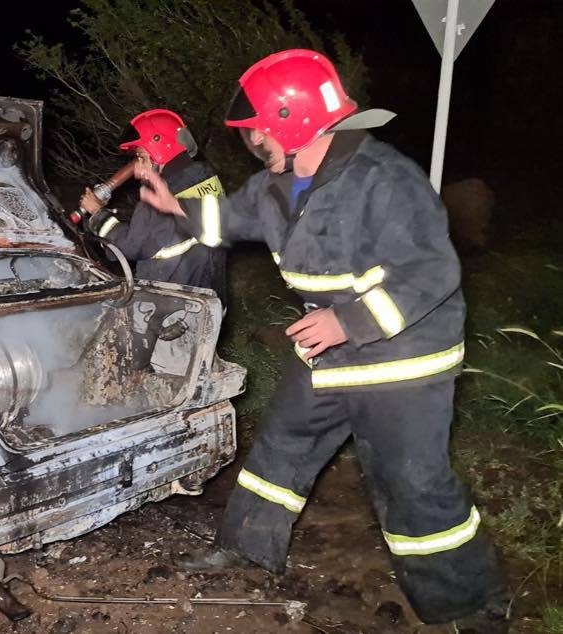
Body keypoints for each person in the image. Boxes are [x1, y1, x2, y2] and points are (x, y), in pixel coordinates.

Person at [135, 49, 510, 632]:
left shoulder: (385, 179)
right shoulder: (276, 184)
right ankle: (247, 548)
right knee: (282, 446)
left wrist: (348, 322)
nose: (254, 140)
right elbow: (229, 220)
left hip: (403, 359)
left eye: (258, 129)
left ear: (293, 120)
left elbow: (431, 272)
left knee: (412, 484)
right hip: (330, 351)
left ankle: (472, 602)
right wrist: (176, 207)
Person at [76, 109, 228, 307]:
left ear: (160, 149)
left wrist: (97, 214)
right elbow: (161, 231)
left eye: (141, 157)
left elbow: (128, 247)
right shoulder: (205, 175)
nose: (137, 169)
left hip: (172, 307)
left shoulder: (160, 197)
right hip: (211, 299)